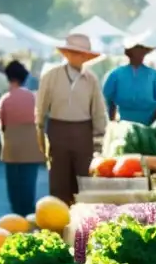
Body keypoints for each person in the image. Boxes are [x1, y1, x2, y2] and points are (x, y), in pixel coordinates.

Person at [36, 33, 108, 204]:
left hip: (83, 132)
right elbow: (40, 109)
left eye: (83, 54)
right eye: (75, 53)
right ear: (66, 54)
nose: (79, 57)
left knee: (83, 178)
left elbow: (98, 110)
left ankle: (81, 217)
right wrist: (39, 137)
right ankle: (58, 216)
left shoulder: (91, 80)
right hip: (57, 130)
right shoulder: (51, 76)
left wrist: (102, 136)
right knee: (59, 178)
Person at [0, 61, 43, 217]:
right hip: (32, 147)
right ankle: (28, 214)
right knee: (29, 183)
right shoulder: (34, 98)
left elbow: (2, 124)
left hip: (12, 148)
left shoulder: (5, 100)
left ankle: (16, 216)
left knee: (14, 185)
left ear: (8, 78)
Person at [103, 40, 156, 124]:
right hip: (123, 122)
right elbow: (109, 98)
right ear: (129, 53)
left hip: (148, 122)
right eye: (135, 51)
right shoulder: (116, 74)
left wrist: (152, 122)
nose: (138, 55)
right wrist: (112, 121)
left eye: (141, 52)